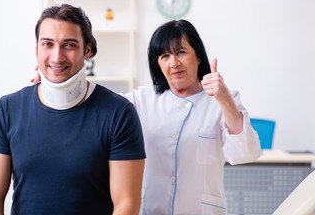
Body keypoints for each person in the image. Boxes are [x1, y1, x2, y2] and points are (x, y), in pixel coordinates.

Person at [31, 19, 262, 214]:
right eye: (164, 56)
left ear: (198, 57)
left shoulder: (224, 99)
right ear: (157, 63)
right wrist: (57, 85)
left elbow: (245, 153)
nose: (174, 63)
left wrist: (223, 98)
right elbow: (96, 104)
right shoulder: (141, 100)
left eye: (181, 52)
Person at [0, 4, 146, 215]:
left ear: (88, 50)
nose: (57, 57)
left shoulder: (118, 113)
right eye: (48, 44)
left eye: (69, 45)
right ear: (37, 48)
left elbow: (126, 205)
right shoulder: (7, 109)